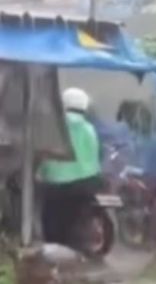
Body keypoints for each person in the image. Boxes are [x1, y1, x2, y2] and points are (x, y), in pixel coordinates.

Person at [40, 88, 103, 247]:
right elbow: (96, 156)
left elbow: (44, 154)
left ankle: (55, 254)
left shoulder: (54, 126)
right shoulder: (89, 128)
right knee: (76, 221)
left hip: (57, 185)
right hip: (87, 183)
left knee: (52, 224)